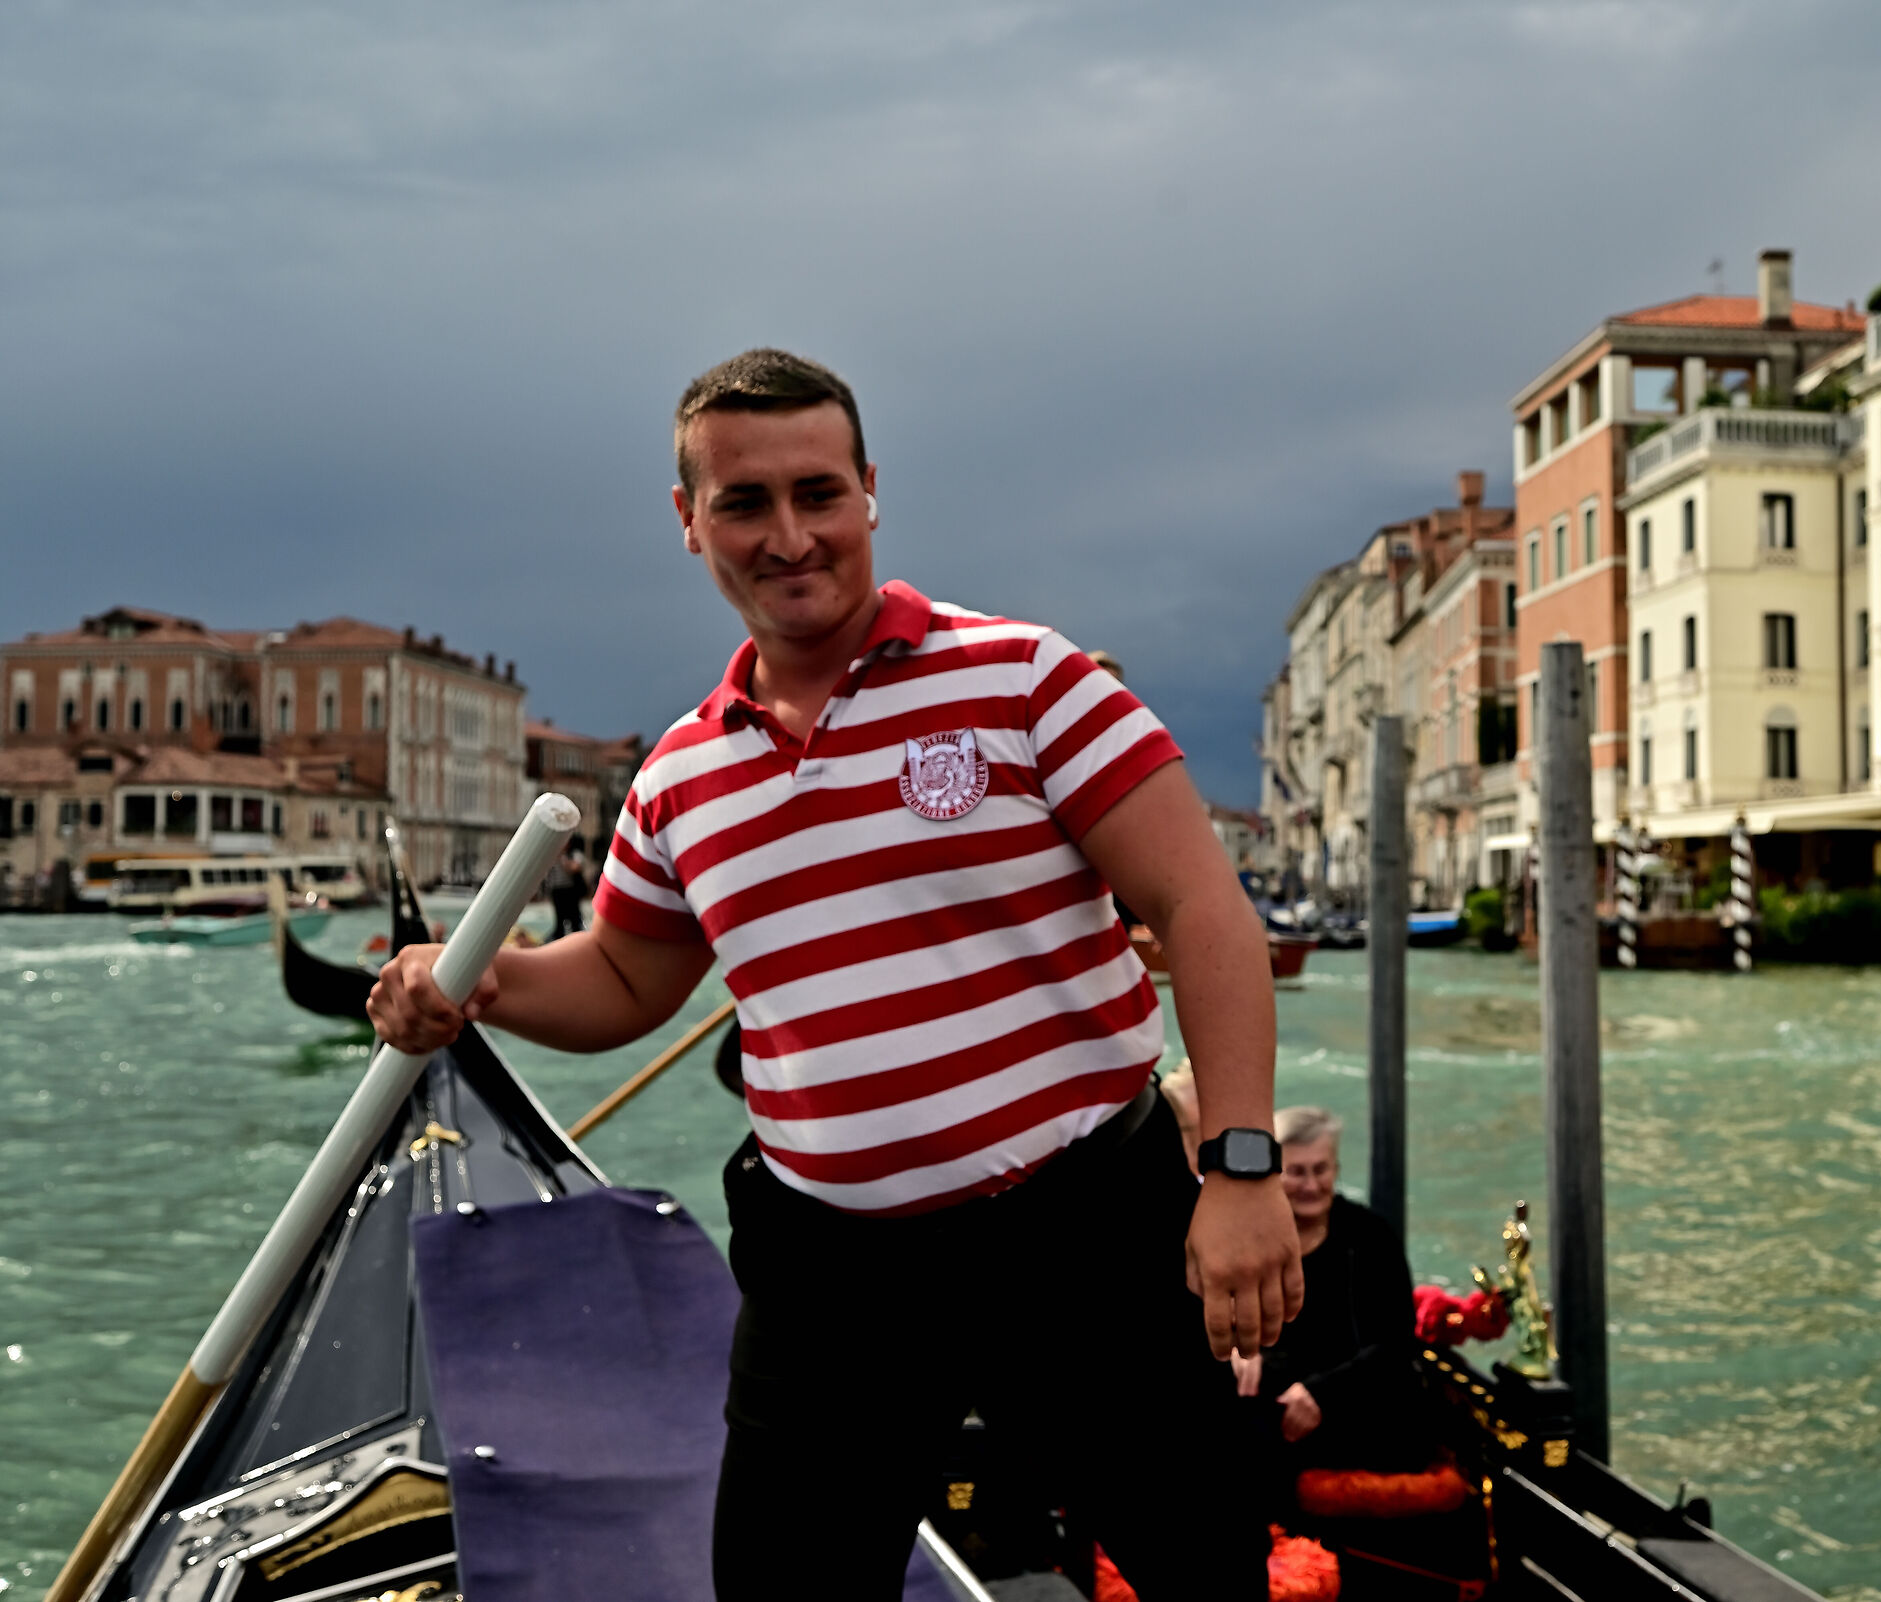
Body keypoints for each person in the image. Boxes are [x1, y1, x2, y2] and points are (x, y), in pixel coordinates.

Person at [367, 348, 1302, 1601]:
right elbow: (626, 984)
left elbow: (1203, 910)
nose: (790, 536)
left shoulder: (1028, 680)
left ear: (869, 492)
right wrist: (479, 983)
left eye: (819, 494)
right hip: (834, 1271)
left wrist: (1238, 1168)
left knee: (1204, 1572)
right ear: (690, 522)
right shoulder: (679, 781)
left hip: (1080, 1228)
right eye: (745, 503)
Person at [1233, 1106, 1426, 1485]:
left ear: (1335, 1170)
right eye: (1297, 1172)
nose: (1311, 1185)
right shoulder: (1246, 1239)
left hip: (1358, 1401)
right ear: (1273, 1174)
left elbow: (1395, 1343)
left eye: (1320, 1170)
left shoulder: (1371, 1236)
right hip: (1274, 1397)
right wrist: (1241, 1347)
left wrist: (1320, 1395)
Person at [547, 844, 589, 939]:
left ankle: (577, 940)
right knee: (559, 920)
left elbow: (575, 868)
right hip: (557, 891)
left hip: (570, 891)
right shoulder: (551, 856)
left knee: (575, 919)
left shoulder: (574, 854)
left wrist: (563, 858)